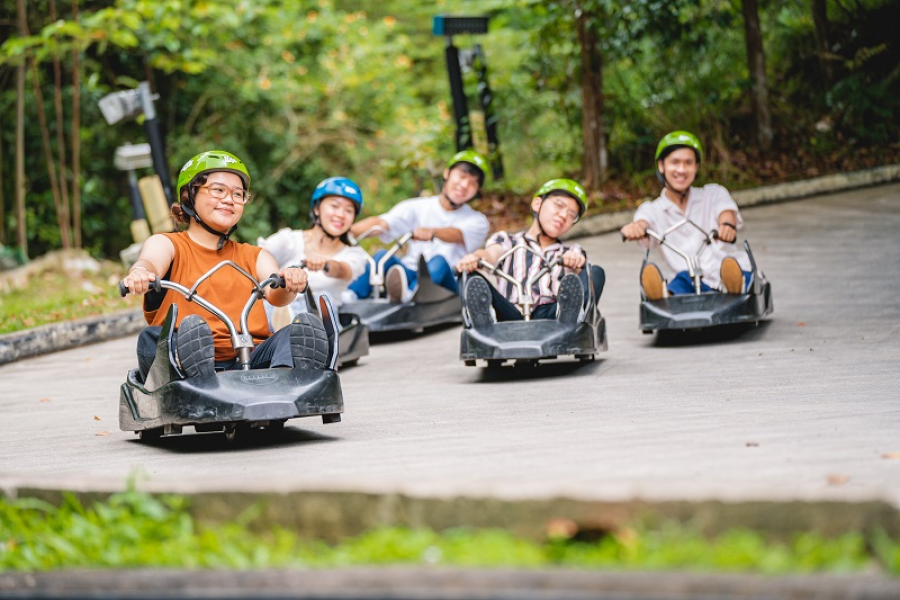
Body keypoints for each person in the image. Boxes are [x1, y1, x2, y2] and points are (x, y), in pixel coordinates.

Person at [122, 150, 327, 380]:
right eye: (218, 190)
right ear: (190, 195)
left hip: (251, 359)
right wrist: (140, 273)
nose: (229, 199)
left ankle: (279, 386)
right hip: (185, 356)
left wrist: (289, 282)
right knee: (157, 337)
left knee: (300, 331)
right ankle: (196, 382)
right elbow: (150, 261)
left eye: (238, 194)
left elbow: (276, 296)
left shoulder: (255, 256)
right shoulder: (168, 244)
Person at [455, 178, 605, 330]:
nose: (564, 215)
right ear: (537, 204)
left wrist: (574, 261)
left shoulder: (570, 251)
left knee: (595, 272)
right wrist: (476, 258)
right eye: (559, 205)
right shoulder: (508, 240)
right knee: (469, 276)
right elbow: (490, 254)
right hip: (510, 314)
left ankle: (572, 322)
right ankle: (483, 323)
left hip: (552, 316)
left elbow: (579, 268)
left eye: (572, 215)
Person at [620, 130, 752, 300]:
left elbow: (726, 213)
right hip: (687, 281)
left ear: (696, 167)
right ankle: (663, 296)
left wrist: (727, 227)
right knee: (679, 281)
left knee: (736, 271)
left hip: (724, 270)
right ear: (661, 165)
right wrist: (635, 228)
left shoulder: (713, 193)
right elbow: (642, 222)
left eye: (688, 163)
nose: (681, 170)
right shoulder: (652, 209)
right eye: (675, 162)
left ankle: (734, 287)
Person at [345, 150, 491, 303]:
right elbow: (382, 223)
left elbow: (457, 234)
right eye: (461, 177)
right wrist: (347, 232)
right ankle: (350, 297)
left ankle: (411, 296)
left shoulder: (477, 220)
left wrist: (432, 232)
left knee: (438, 261)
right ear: (447, 173)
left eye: (473, 183)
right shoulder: (417, 207)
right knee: (381, 256)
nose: (464, 185)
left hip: (448, 282)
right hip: (409, 273)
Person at [258, 177, 369, 329]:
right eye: (335, 206)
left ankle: (295, 325)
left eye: (349, 211)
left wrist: (326, 264)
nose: (341, 215)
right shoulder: (289, 240)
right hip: (276, 307)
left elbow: (344, 270)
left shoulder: (354, 254)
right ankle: (284, 322)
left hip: (322, 322)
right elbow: (255, 257)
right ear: (317, 209)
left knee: (322, 299)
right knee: (268, 302)